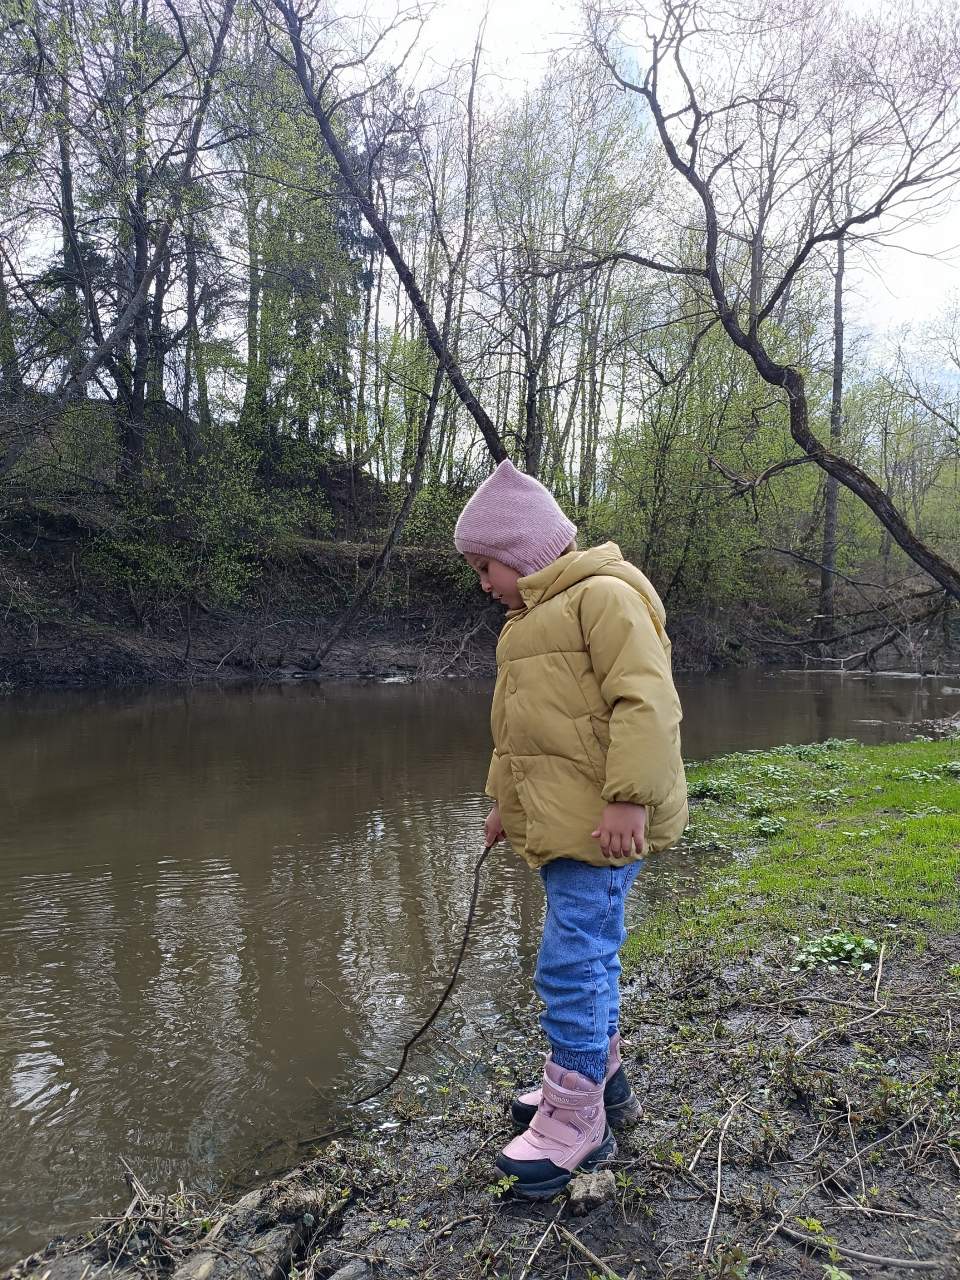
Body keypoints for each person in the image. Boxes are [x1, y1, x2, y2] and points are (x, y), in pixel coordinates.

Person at [454, 458, 687, 1199]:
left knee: (570, 963)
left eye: (485, 565)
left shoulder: (605, 598)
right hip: (563, 822)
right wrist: (503, 803)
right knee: (590, 957)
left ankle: (577, 1113)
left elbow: (647, 702)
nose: (482, 582)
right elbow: (518, 735)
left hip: (601, 825)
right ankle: (601, 1076)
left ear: (522, 552)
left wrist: (629, 798)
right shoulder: (527, 626)